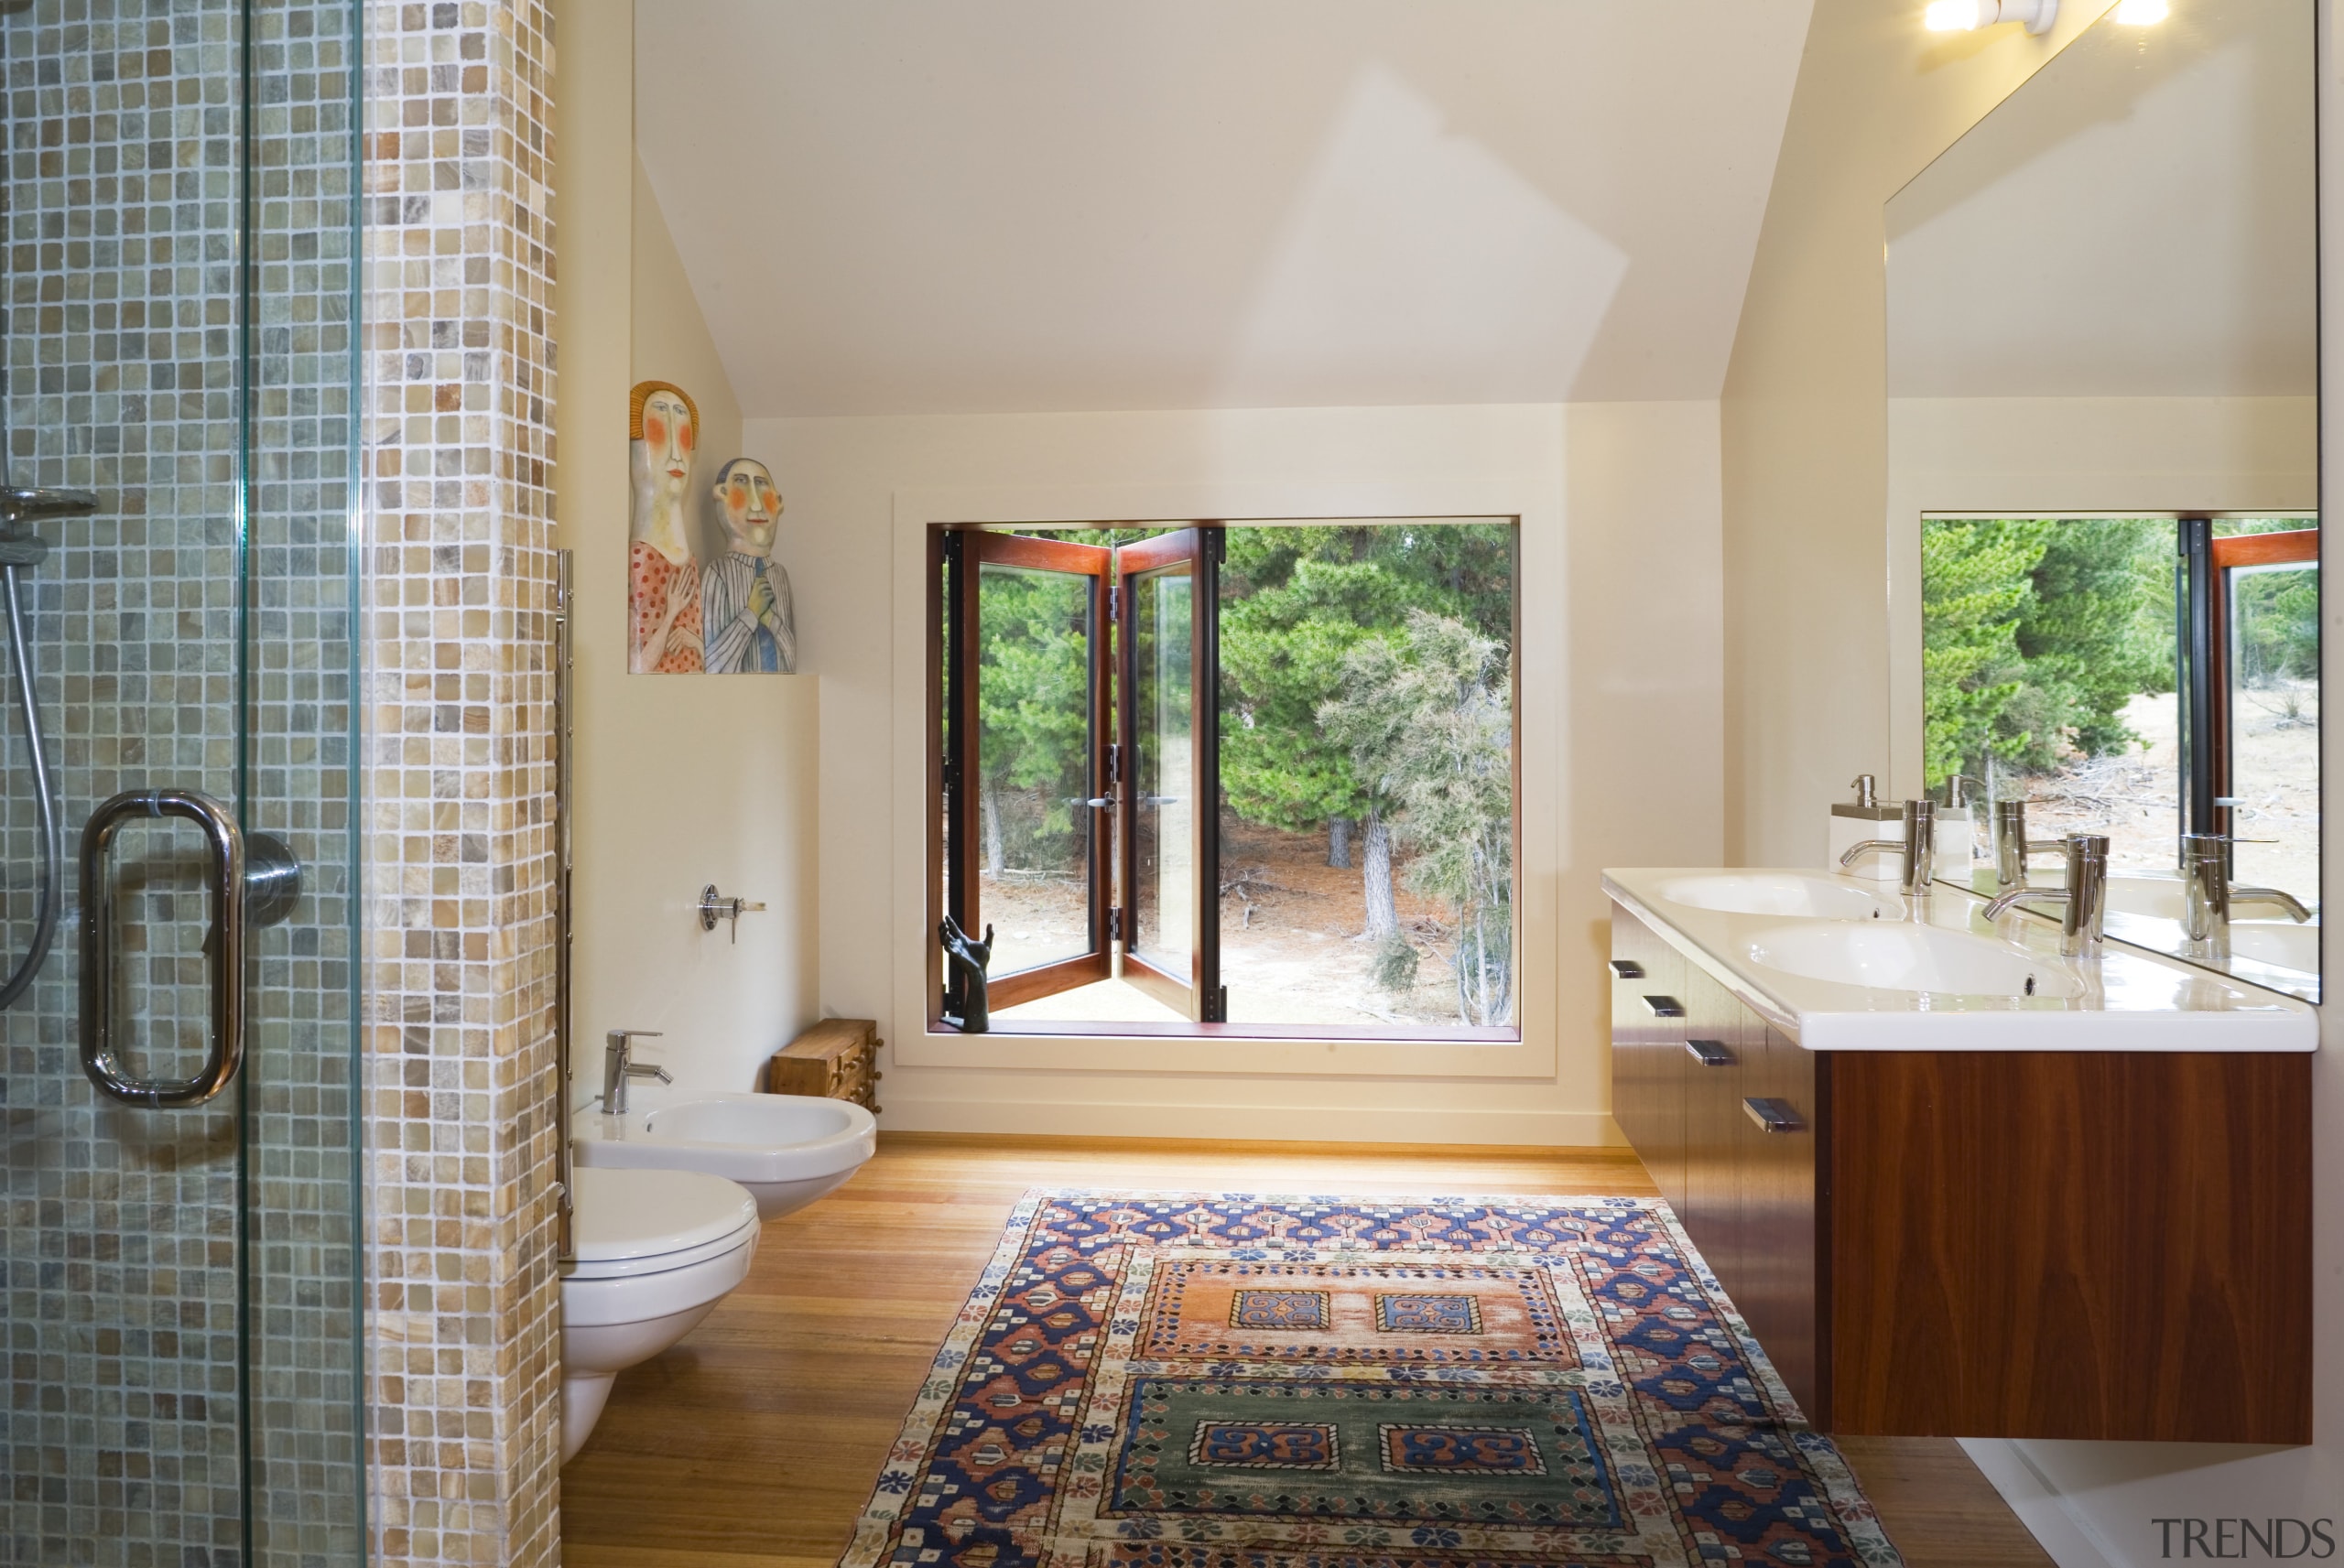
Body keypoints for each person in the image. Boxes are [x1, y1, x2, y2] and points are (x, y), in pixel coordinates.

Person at [628, 380, 704, 673]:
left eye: (683, 437)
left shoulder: (690, 563)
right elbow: (640, 667)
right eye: (660, 434)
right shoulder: (639, 560)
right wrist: (672, 612)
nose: (676, 455)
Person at [699, 457, 797, 674]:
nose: (756, 504)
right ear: (721, 495)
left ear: (778, 501)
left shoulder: (780, 574)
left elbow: (790, 660)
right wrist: (751, 614)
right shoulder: (718, 573)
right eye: (741, 483)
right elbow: (713, 665)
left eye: (761, 485)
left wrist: (770, 619)